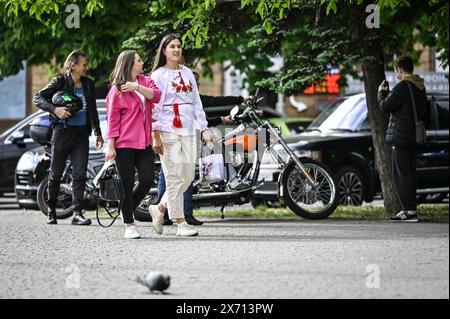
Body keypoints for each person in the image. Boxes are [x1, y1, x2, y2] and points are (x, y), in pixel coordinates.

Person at [156, 71, 250, 225]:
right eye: (194, 82)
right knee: (180, 176)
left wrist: (224, 115)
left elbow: (204, 112)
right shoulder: (179, 97)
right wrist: (240, 100)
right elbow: (208, 106)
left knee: (171, 177)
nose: (195, 85)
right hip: (178, 137)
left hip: (182, 137)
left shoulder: (188, 97)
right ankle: (182, 213)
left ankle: (165, 212)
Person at [148, 33, 210, 236]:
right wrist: (155, 133)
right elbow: (153, 107)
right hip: (167, 129)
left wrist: (204, 128)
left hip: (189, 129)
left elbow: (196, 102)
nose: (176, 49)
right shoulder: (158, 75)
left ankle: (159, 208)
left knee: (188, 176)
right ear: (164, 50)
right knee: (173, 176)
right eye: (172, 46)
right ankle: (180, 222)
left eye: (178, 46)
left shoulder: (188, 73)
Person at [33, 50, 104, 225]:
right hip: (62, 133)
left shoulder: (88, 84)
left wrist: (98, 133)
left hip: (81, 134)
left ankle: (77, 213)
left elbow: (92, 109)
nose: (86, 67)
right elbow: (38, 97)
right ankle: (51, 210)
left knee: (79, 174)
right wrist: (55, 109)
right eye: (84, 64)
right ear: (73, 66)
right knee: (56, 174)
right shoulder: (60, 82)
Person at [105, 50, 161, 239]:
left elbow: (157, 96)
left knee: (146, 180)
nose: (142, 62)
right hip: (124, 144)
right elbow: (112, 120)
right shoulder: (116, 90)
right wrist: (110, 145)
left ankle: (125, 208)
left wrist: (136, 87)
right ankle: (129, 224)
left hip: (144, 142)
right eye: (138, 60)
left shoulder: (144, 81)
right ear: (129, 64)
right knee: (126, 184)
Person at [378, 56, 427, 222]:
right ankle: (410, 209)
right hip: (413, 136)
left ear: (400, 69)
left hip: (401, 137)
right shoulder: (420, 86)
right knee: (410, 173)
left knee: (401, 174)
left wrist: (381, 92)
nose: (396, 73)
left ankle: (409, 211)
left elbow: (386, 106)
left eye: (396, 70)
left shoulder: (403, 86)